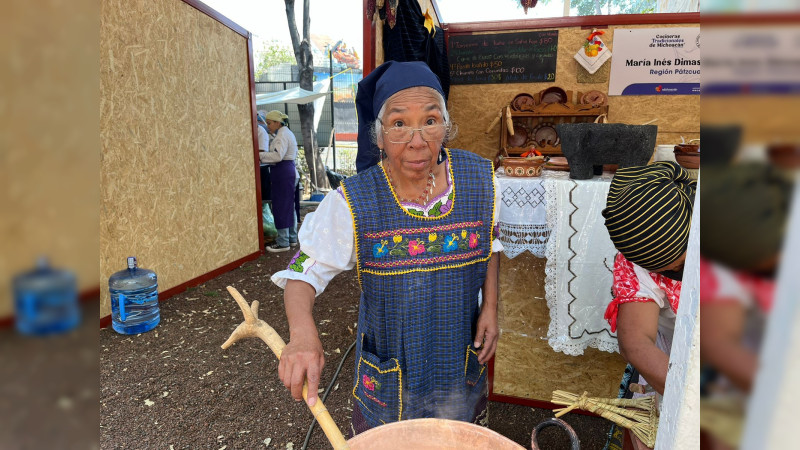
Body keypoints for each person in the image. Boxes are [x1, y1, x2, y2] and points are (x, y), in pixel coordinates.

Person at [270, 60, 503, 435]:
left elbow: (489, 244)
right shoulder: (354, 202)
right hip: (392, 371)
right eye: (399, 124)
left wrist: (490, 307)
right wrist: (302, 335)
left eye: (430, 120)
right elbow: (301, 271)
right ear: (378, 136)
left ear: (446, 125)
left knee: (458, 439)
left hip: (457, 355)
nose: (417, 140)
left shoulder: (481, 180)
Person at [602, 162, 696, 397]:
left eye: (682, 265)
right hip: (681, 364)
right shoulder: (634, 264)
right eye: (666, 271)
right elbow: (635, 342)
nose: (676, 273)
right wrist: (688, 399)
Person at [261, 110, 298, 251]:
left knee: (281, 205)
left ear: (277, 122)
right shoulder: (287, 133)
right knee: (289, 205)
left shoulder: (281, 135)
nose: (268, 126)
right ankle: (292, 238)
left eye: (269, 123)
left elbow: (277, 156)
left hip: (282, 171)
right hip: (288, 170)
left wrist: (262, 156)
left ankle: (283, 242)